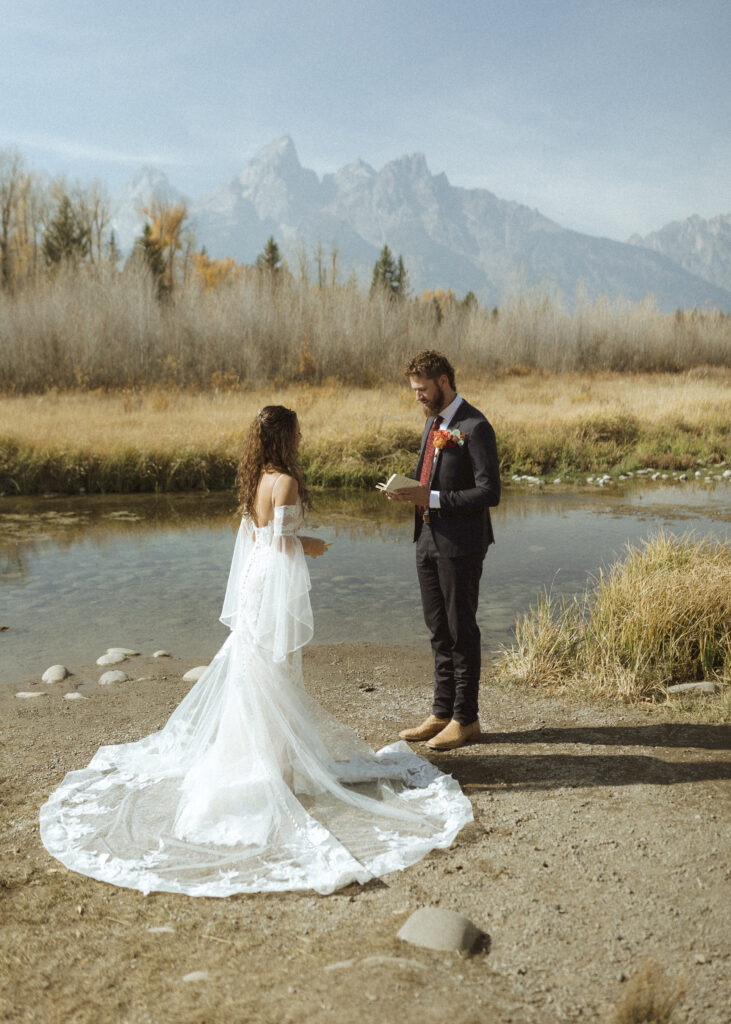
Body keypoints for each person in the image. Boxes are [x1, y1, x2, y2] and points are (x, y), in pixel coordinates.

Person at [40, 405, 472, 896]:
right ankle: (277, 774)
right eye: (297, 434)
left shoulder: (256, 479)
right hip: (274, 582)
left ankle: (272, 765)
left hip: (255, 581)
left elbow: (258, 537)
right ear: (285, 438)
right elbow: (283, 540)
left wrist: (292, 543)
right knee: (276, 670)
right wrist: (310, 544)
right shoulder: (284, 480)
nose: (300, 440)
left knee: (258, 669)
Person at [384, 351, 500, 751]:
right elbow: (431, 479)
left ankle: (466, 719)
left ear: (444, 381)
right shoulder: (434, 423)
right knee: (437, 630)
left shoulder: (475, 425)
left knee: (460, 630)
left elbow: (490, 492)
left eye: (422, 389)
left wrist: (430, 498)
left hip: (461, 544)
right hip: (427, 538)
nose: (417, 396)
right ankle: (441, 711)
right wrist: (411, 494)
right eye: (414, 390)